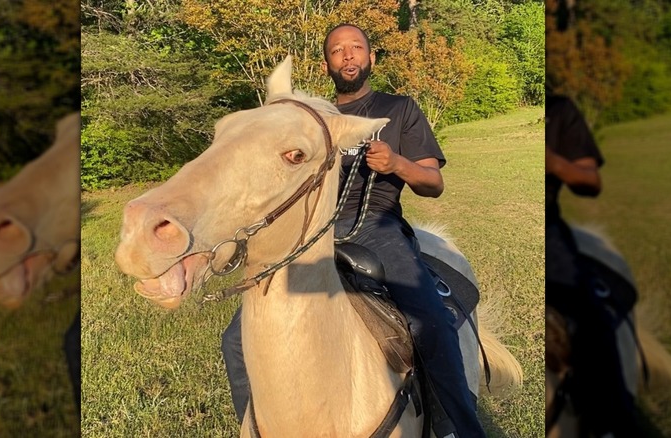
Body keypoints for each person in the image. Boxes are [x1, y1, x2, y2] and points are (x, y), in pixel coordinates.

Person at [220, 23, 485, 437]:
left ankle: (458, 428)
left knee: (428, 322)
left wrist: (398, 164)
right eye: (338, 50)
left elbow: (433, 184)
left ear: (371, 58)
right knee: (236, 341)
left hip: (377, 227)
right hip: (311, 236)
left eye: (356, 48)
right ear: (326, 64)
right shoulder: (314, 119)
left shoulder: (400, 110)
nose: (347, 56)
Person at [545, 93, 638, 437]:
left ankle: (612, 424)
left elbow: (591, 182)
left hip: (550, 226)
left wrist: (554, 162)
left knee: (589, 314)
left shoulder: (560, 109)